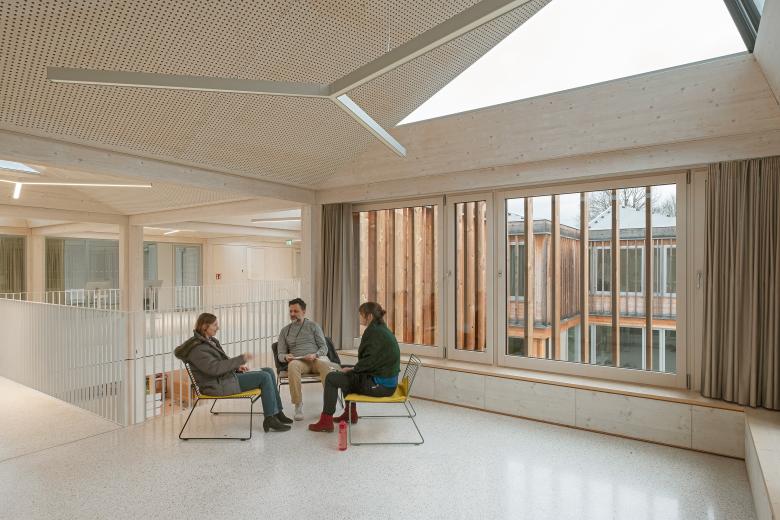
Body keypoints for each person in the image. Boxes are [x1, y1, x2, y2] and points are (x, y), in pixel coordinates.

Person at [175, 312, 292, 432]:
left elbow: (221, 363)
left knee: (268, 371)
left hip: (224, 379)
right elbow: (215, 368)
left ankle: (277, 412)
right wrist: (241, 359)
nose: (218, 328)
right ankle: (270, 418)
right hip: (216, 385)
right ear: (205, 326)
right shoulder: (198, 349)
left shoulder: (210, 341)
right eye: (215, 325)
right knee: (264, 377)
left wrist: (236, 367)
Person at [309, 302, 400, 433]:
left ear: (369, 316)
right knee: (344, 370)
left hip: (381, 386)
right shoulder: (380, 328)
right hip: (384, 379)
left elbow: (369, 360)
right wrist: (352, 369)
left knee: (331, 378)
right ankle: (350, 414)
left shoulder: (374, 332)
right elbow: (372, 360)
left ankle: (326, 421)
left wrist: (354, 370)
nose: (359, 318)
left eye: (361, 315)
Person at [276, 298, 337, 420]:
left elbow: (324, 348)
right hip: (299, 362)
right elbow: (280, 354)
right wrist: (286, 357)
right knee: (293, 365)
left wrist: (315, 355)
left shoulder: (313, 326)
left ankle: (329, 407)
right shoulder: (284, 331)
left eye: (296, 311)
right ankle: (298, 405)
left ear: (303, 311)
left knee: (326, 366)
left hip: (316, 360)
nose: (292, 314)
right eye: (291, 311)